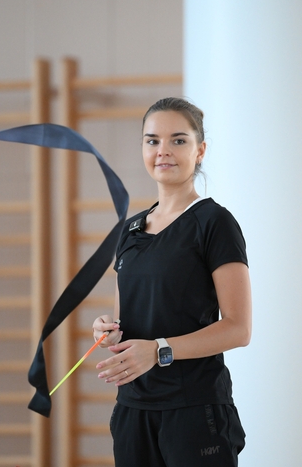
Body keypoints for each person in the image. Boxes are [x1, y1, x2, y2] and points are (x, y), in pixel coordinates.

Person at [93, 97, 252, 466]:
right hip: (133, 410)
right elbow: (125, 322)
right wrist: (108, 331)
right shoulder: (130, 230)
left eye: (178, 140)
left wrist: (159, 349)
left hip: (194, 410)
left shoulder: (214, 223)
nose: (163, 151)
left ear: (200, 151)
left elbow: (239, 329)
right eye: (153, 141)